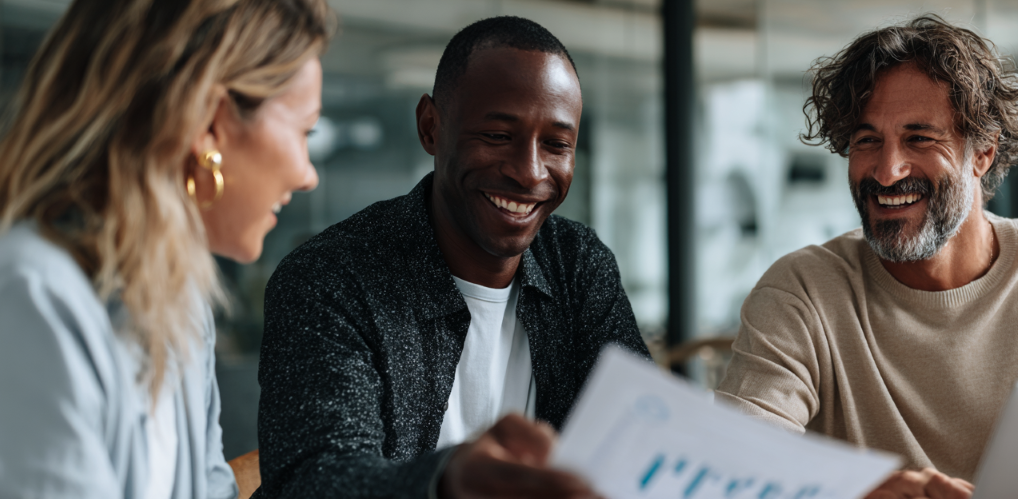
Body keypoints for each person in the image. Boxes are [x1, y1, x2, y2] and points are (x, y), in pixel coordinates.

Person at [255, 16, 649, 499]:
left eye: (556, 145)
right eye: (498, 136)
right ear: (431, 128)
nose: (529, 173)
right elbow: (317, 481)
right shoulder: (331, 278)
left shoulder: (578, 264)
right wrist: (446, 481)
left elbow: (643, 435)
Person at [0, 0, 331, 497]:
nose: (309, 176)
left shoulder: (179, 301)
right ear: (211, 126)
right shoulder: (32, 297)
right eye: (304, 131)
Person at [715, 15, 1018, 499]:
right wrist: (850, 491)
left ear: (982, 152)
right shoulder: (803, 291)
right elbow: (732, 468)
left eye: (919, 138)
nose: (887, 170)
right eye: (867, 140)